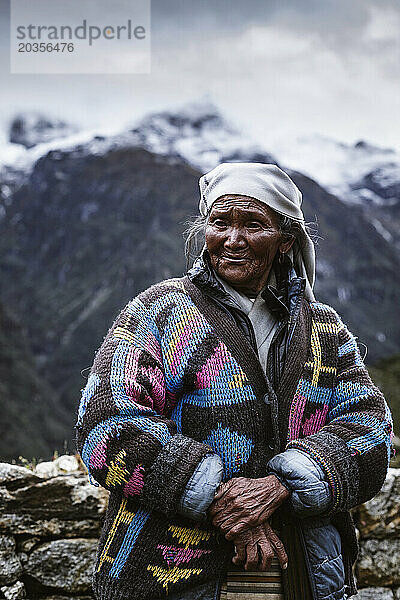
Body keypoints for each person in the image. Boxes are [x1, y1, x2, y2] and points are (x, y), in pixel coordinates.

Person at [75, 162, 393, 600]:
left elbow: (370, 429)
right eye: (220, 222)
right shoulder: (160, 314)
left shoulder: (323, 329)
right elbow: (105, 426)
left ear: (286, 241)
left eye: (254, 225)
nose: (233, 239)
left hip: (305, 575)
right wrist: (221, 498)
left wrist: (282, 485)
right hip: (170, 575)